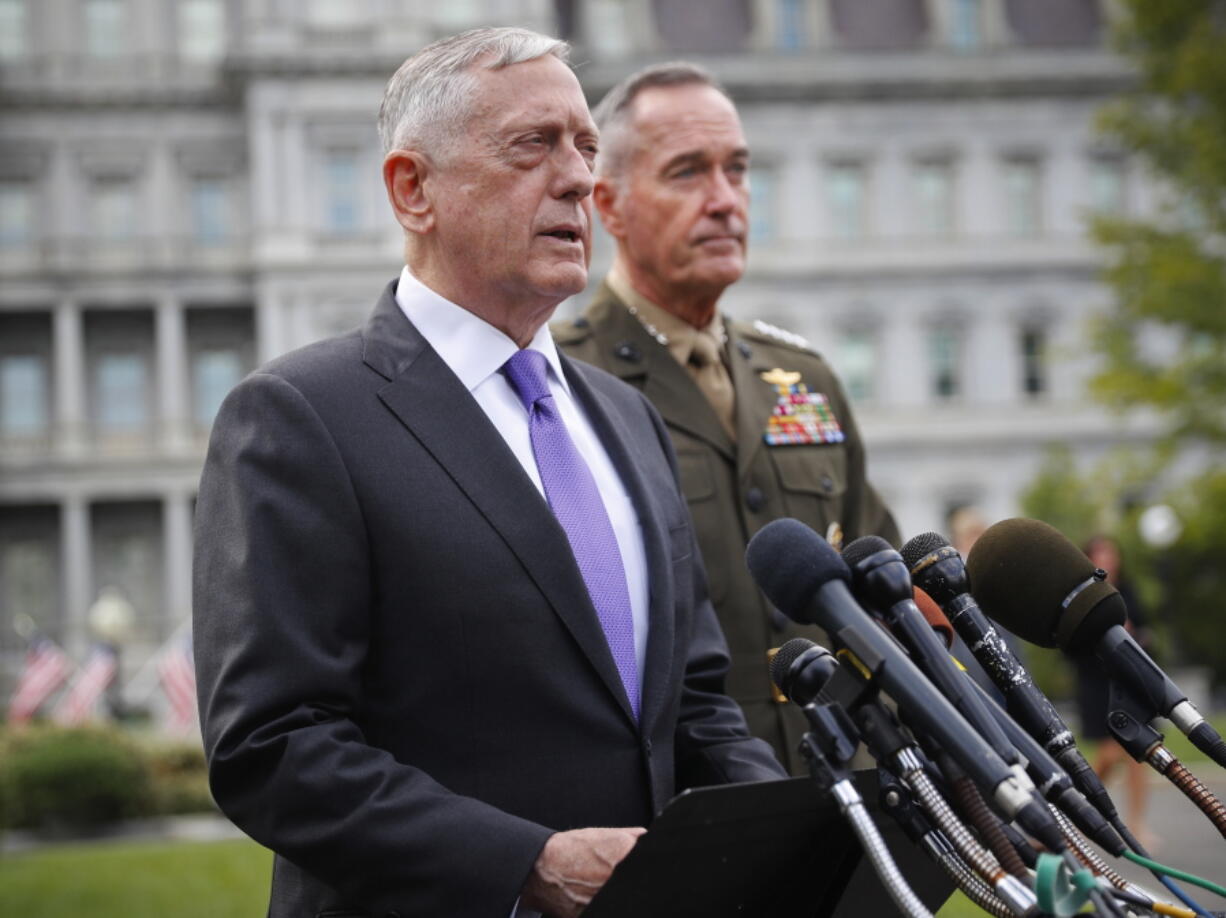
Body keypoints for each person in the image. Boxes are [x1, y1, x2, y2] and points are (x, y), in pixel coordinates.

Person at [192, 29, 785, 918]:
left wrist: (781, 837)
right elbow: (273, 746)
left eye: (586, 147)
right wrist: (526, 863)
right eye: (533, 146)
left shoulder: (626, 418)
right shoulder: (297, 417)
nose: (582, 178)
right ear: (412, 189)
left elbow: (695, 701)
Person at [553, 63, 898, 772]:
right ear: (609, 206)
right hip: (687, 810)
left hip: (847, 792)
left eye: (736, 171)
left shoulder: (802, 378)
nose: (725, 201)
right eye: (687, 173)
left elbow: (881, 591)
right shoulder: (562, 386)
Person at [1073, 534, 1154, 846]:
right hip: (1097, 686)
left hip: (1132, 683)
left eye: (1110, 553)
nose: (1106, 559)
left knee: (1138, 757)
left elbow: (1147, 631)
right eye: (1099, 554)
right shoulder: (1083, 596)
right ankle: (1082, 813)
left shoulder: (1128, 591)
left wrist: (1138, 635)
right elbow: (1071, 645)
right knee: (1109, 755)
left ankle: (1137, 823)